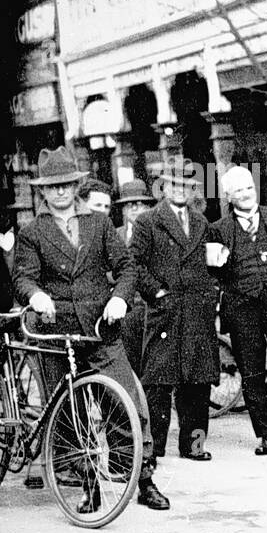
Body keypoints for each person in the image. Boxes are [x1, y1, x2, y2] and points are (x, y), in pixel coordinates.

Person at [13, 147, 169, 510]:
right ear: (42, 192)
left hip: (101, 328)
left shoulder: (98, 224)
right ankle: (89, 484)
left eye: (66, 185)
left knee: (124, 400)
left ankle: (143, 480)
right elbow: (23, 276)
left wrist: (120, 298)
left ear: (75, 186)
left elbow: (127, 267)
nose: (60, 192)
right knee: (68, 412)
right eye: (52, 187)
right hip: (56, 331)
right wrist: (35, 295)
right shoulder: (32, 232)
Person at [208, 165, 267, 454]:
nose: (246, 194)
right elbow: (214, 273)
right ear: (228, 196)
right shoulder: (219, 229)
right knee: (251, 373)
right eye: (238, 190)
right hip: (242, 309)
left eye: (249, 188)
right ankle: (265, 435)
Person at [130, 160, 220, 459]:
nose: (181, 190)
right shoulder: (148, 221)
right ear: (163, 187)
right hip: (164, 311)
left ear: (193, 190)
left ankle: (194, 447)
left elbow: (208, 264)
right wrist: (156, 292)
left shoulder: (201, 222)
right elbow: (134, 263)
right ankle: (153, 449)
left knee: (198, 382)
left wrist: (210, 292)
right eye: (175, 184)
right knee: (158, 382)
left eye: (187, 185)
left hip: (196, 310)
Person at [114, 180, 154, 376]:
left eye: (141, 203)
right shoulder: (115, 236)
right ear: (123, 208)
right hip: (127, 312)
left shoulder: (158, 234)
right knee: (132, 363)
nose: (136, 209)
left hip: (152, 308)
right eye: (130, 204)